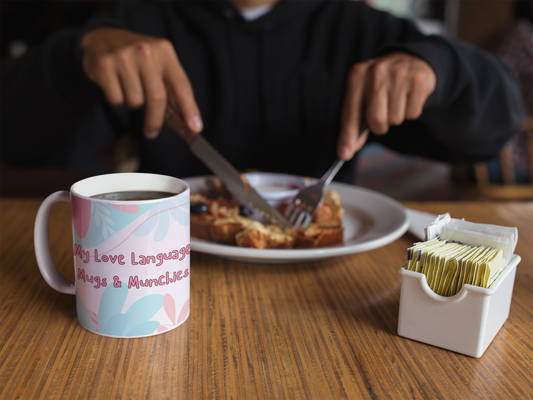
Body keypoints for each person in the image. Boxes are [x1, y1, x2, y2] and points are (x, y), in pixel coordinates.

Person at [0, 0, 525, 184]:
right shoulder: (139, 22)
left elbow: (492, 131)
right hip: (170, 272)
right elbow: (18, 144)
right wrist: (76, 55)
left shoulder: (360, 31)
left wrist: (441, 67)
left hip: (333, 294)